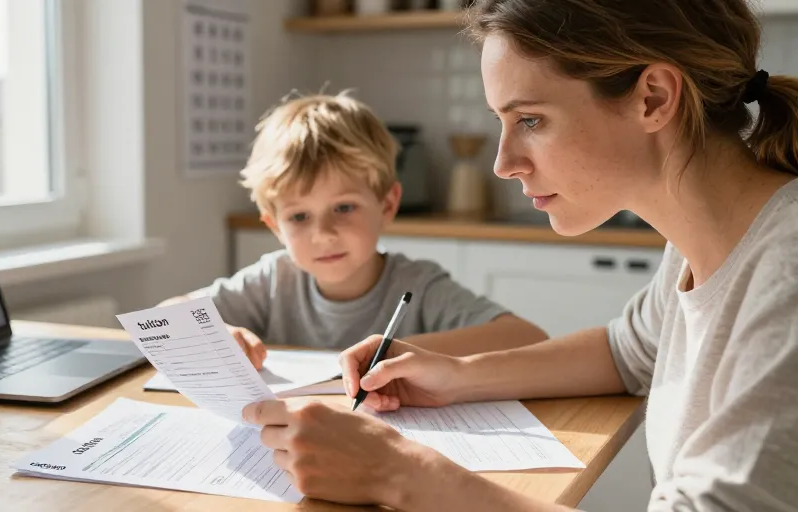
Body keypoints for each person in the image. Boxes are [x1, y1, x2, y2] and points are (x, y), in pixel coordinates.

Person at [242, 0, 798, 509]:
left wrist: (398, 473)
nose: (503, 164)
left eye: (530, 120)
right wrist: (456, 375)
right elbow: (626, 352)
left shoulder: (786, 274)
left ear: (653, 97)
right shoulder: (701, 241)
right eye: (502, 123)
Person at [160, 92, 547, 368]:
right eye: (299, 217)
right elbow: (164, 318)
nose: (324, 233)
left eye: (343, 208)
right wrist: (218, 335)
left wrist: (392, 351)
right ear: (274, 226)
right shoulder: (271, 281)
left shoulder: (419, 285)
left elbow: (527, 338)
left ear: (387, 205)